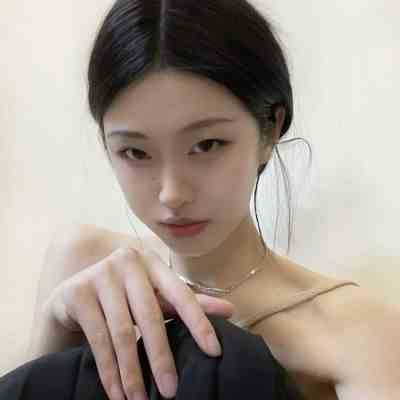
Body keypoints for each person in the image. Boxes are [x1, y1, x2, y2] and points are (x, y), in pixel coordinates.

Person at [25, 0, 400, 399]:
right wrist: (55, 332)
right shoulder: (84, 267)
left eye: (206, 145)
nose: (172, 193)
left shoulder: (357, 335)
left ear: (270, 130)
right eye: (135, 152)